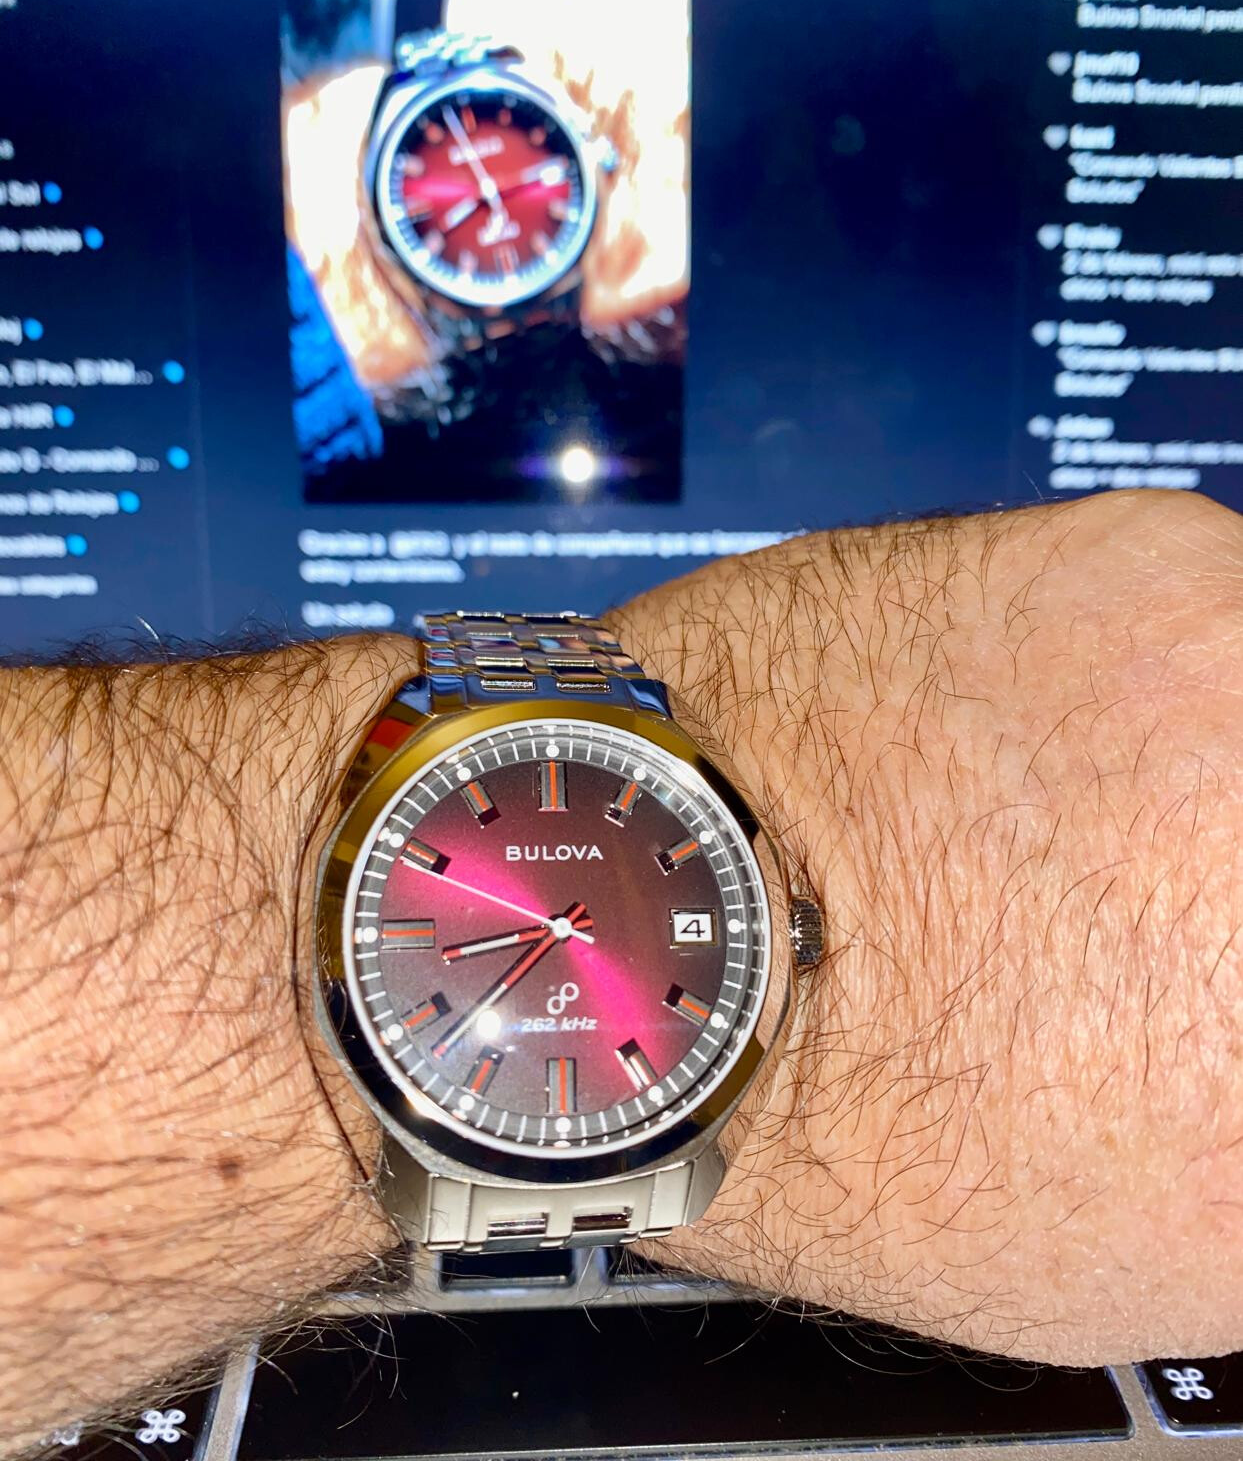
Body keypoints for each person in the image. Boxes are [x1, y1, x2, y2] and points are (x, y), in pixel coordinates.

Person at [1, 487, 1240, 1454]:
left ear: (791, 929)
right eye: (545, 923)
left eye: (564, 923)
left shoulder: (737, 926)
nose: (557, 929)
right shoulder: (387, 851)